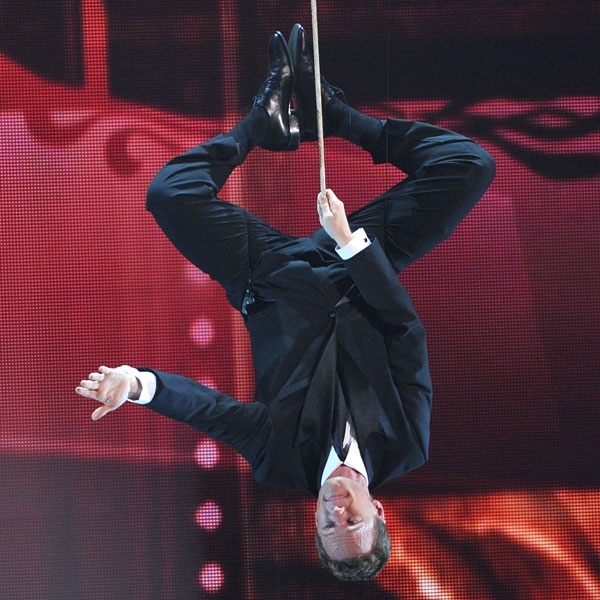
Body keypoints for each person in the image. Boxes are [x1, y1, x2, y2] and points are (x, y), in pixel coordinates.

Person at [75, 24, 495, 581]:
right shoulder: (405, 445)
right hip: (357, 268)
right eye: (353, 522)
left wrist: (135, 385)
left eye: (328, 528)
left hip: (269, 278)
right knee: (468, 167)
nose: (336, 512)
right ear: (379, 511)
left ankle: (260, 124)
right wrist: (351, 245)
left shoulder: (282, 459)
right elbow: (403, 332)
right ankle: (338, 118)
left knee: (169, 195)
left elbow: (210, 412)